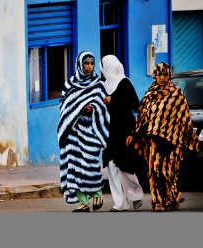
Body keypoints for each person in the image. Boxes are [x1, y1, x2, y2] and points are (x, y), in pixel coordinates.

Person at [126, 62, 200, 212]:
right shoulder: (149, 94)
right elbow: (143, 117)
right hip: (153, 141)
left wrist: (189, 139)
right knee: (154, 170)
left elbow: (184, 119)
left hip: (172, 140)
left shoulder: (177, 94)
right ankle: (158, 202)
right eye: (159, 74)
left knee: (168, 172)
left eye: (165, 74)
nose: (162, 77)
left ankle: (173, 197)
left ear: (169, 76)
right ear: (155, 75)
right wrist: (134, 134)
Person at [58, 51, 110, 212]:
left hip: (90, 131)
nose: (89, 67)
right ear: (80, 64)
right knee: (74, 167)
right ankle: (83, 202)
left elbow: (104, 106)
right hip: (73, 133)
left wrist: (92, 108)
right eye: (86, 63)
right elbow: (63, 106)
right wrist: (79, 108)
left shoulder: (99, 84)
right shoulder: (69, 85)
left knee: (91, 165)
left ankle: (97, 195)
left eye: (92, 63)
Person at [99, 55, 144, 212]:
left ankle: (136, 195)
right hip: (111, 131)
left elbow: (134, 104)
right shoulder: (104, 85)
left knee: (125, 166)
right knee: (112, 166)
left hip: (125, 129)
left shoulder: (125, 82)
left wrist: (114, 99)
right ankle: (120, 203)